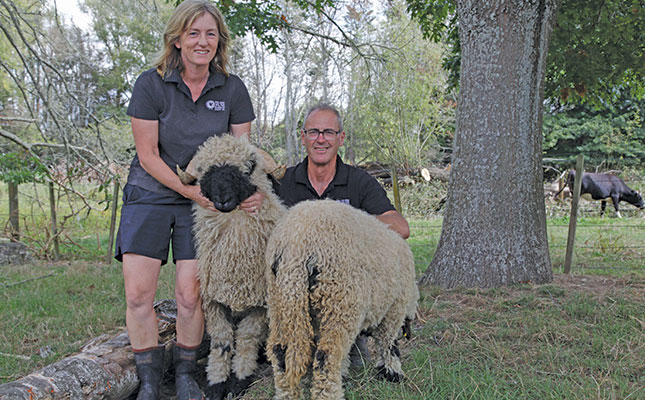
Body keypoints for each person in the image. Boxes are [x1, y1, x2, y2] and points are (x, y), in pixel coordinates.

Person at [114, 2, 262, 399]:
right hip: (150, 192)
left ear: (220, 41)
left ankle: (184, 376)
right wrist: (187, 188)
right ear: (177, 39)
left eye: (210, 34)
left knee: (190, 293)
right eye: (193, 33)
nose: (202, 41)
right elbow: (147, 154)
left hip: (203, 204)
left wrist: (250, 191)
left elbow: (239, 150)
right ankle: (147, 382)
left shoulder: (231, 87)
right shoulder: (151, 83)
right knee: (139, 294)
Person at [275, 103, 410, 366]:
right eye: (313, 132)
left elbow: (400, 227)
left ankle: (356, 335)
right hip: (296, 292)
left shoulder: (359, 181)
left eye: (328, 132)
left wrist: (344, 224)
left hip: (344, 295)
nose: (321, 139)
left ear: (341, 138)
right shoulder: (284, 182)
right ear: (302, 138)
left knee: (352, 365)